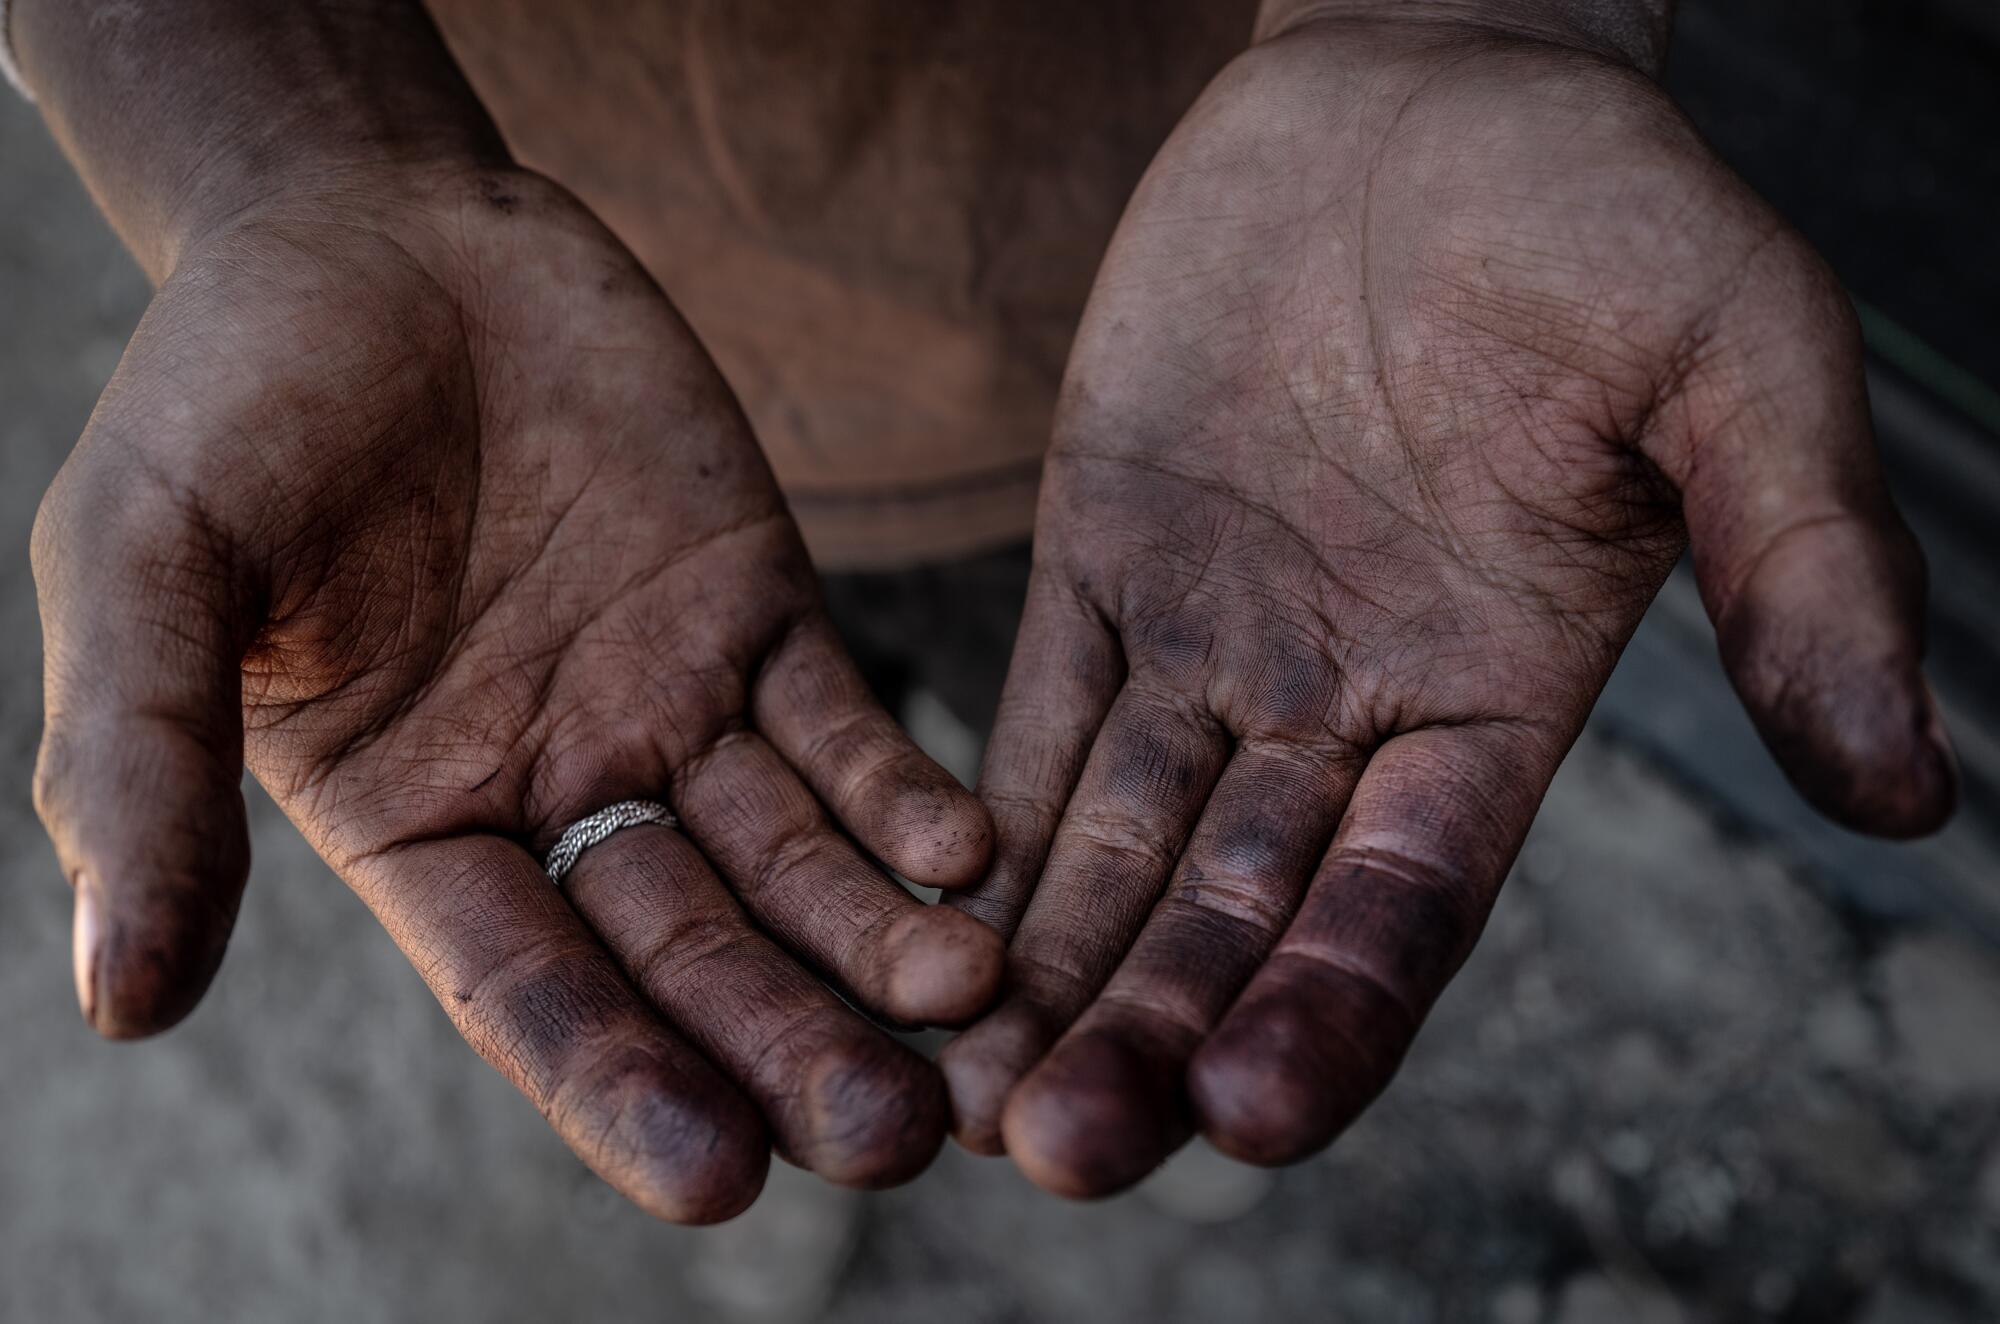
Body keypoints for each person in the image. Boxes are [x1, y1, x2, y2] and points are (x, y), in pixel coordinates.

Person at [7, 0, 1956, 1223]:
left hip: (1278, 300)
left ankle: (987, 1054)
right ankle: (881, 1073)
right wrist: (285, 142)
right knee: (715, 778)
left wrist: (1478, 18)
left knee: (1068, 776)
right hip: (542, 404)